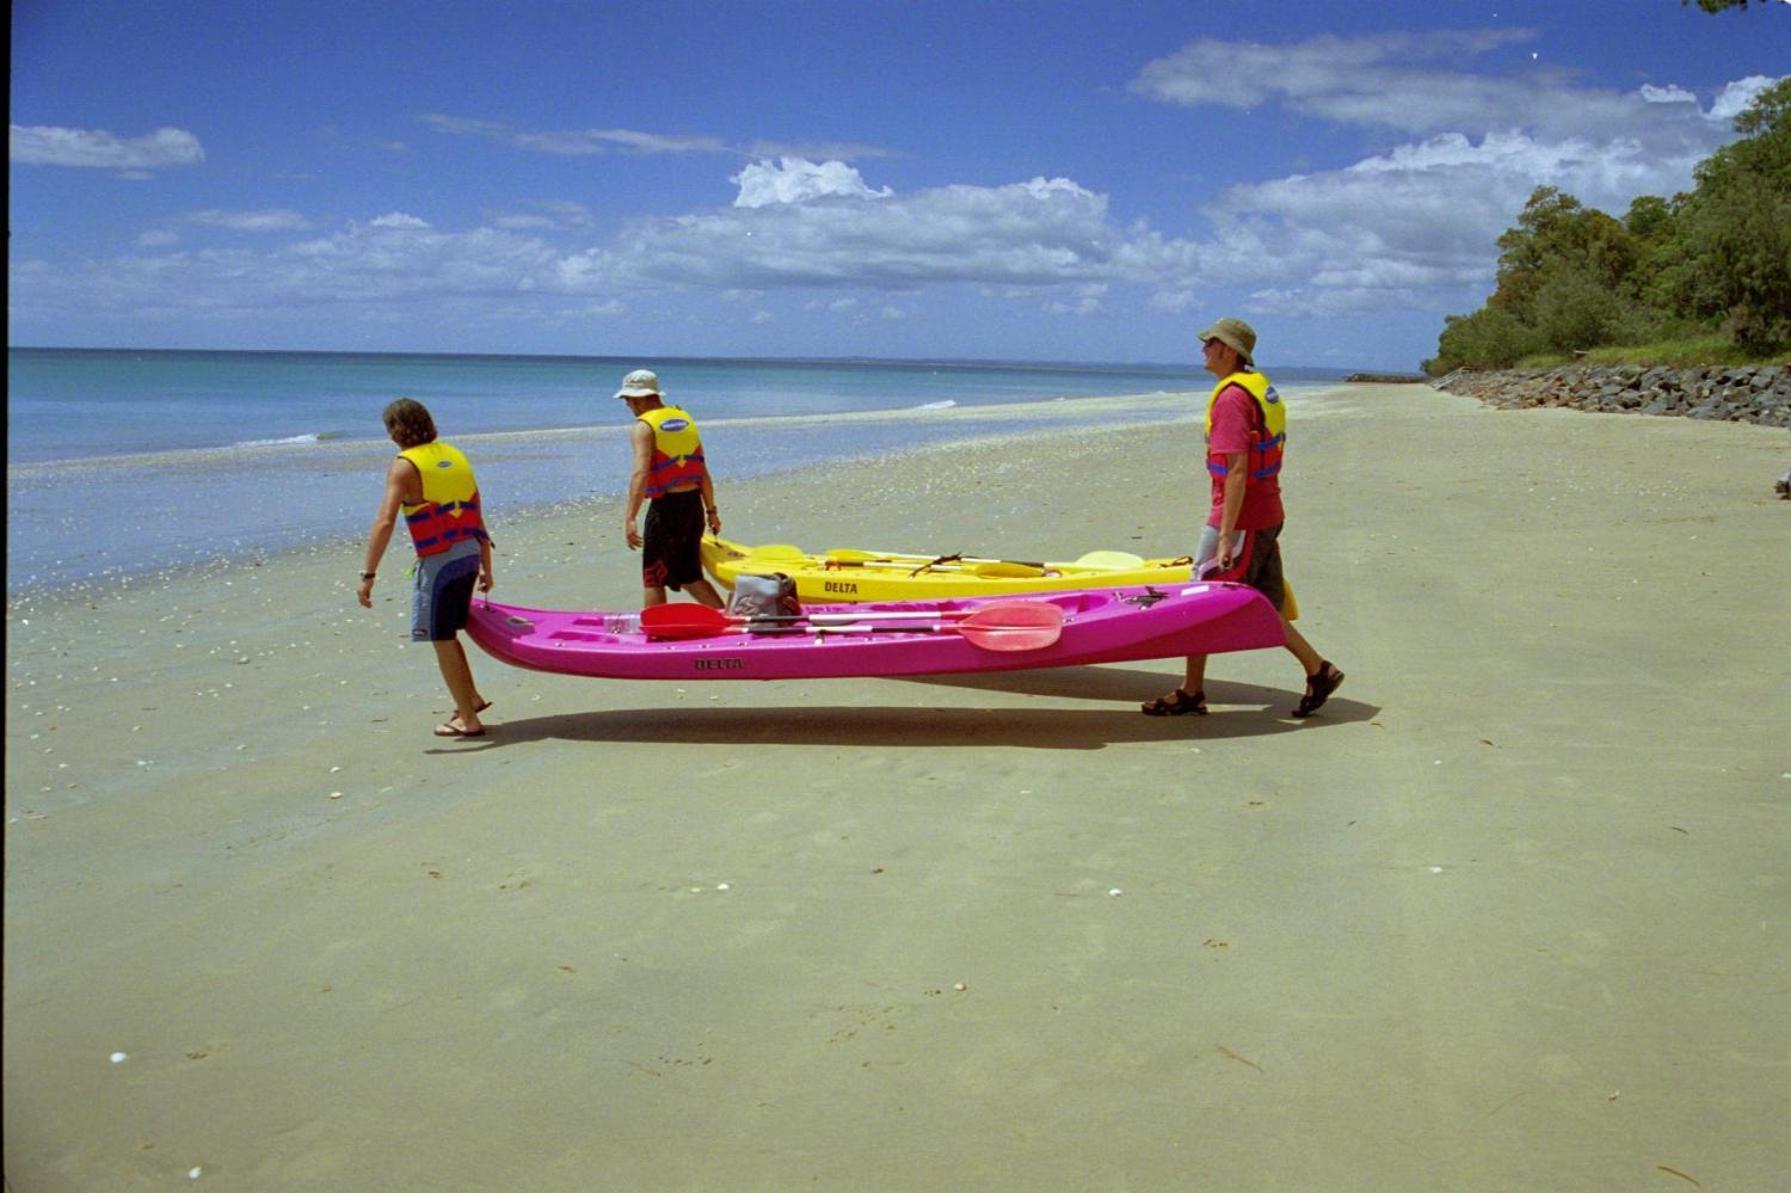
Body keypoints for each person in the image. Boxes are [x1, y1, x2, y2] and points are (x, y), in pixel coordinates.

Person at [1142, 318, 1346, 719]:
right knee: (1266, 605)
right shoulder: (1255, 389)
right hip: (1268, 512)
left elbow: (1237, 470)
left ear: (1229, 351)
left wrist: (1225, 535)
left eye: (1210, 344)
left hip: (1240, 521)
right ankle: (1318, 669)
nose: (1203, 350)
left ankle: (1191, 692)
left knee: (1199, 597)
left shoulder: (1232, 400)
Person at [357, 397, 494, 738]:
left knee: (440, 636)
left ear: (395, 432)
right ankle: (472, 698)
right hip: (468, 554)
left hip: (440, 562)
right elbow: (476, 513)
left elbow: (385, 521)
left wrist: (368, 575)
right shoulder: (455, 456)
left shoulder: (404, 466)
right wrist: (487, 567)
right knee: (448, 632)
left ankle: (468, 718)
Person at [615, 368, 725, 609]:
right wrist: (711, 511)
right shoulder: (684, 419)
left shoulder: (643, 428)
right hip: (693, 507)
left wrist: (630, 518)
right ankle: (728, 620)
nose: (627, 404)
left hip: (667, 510)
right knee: (690, 575)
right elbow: (702, 470)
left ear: (642, 397)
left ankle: (656, 633)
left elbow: (640, 474)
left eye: (629, 399)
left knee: (653, 577)